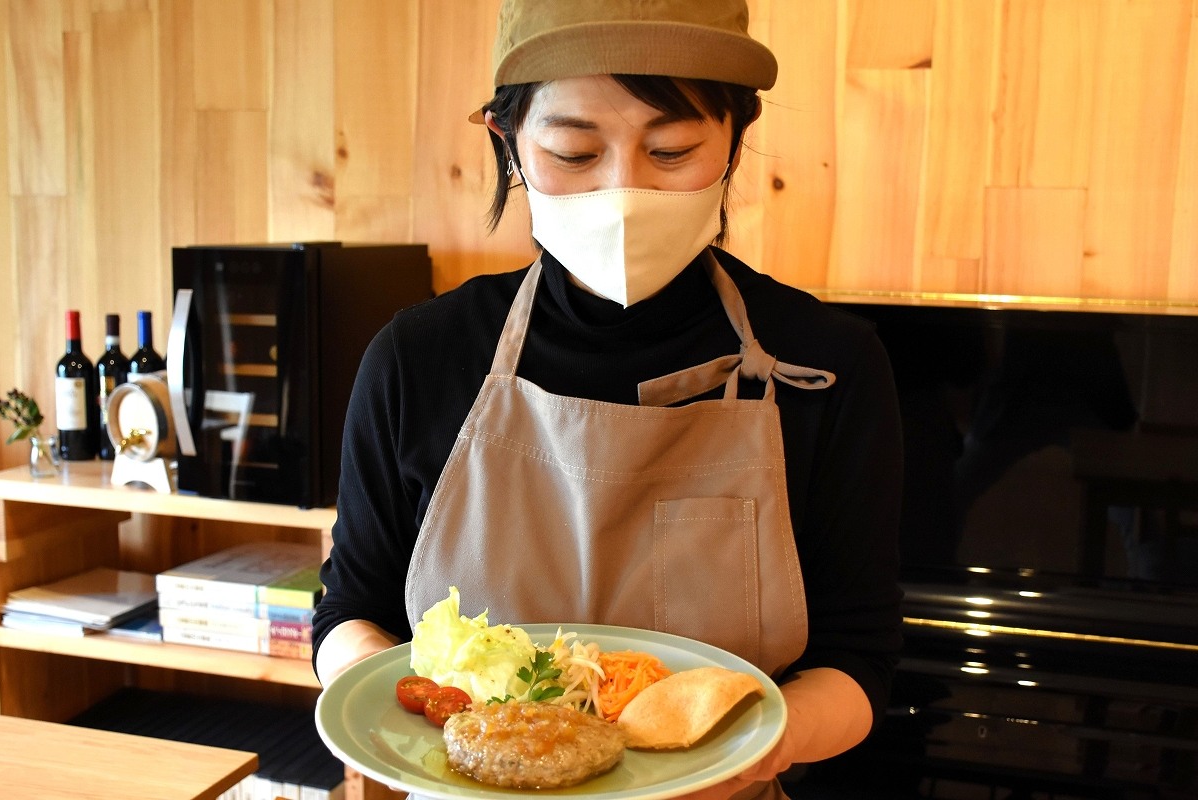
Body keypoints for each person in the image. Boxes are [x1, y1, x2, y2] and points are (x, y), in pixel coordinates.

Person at [313, 1, 903, 797]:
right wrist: (393, 709)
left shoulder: (829, 363)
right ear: (508, 142)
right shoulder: (417, 359)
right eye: (574, 151)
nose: (623, 191)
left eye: (672, 149)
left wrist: (762, 747)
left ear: (735, 137)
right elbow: (351, 608)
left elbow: (858, 659)